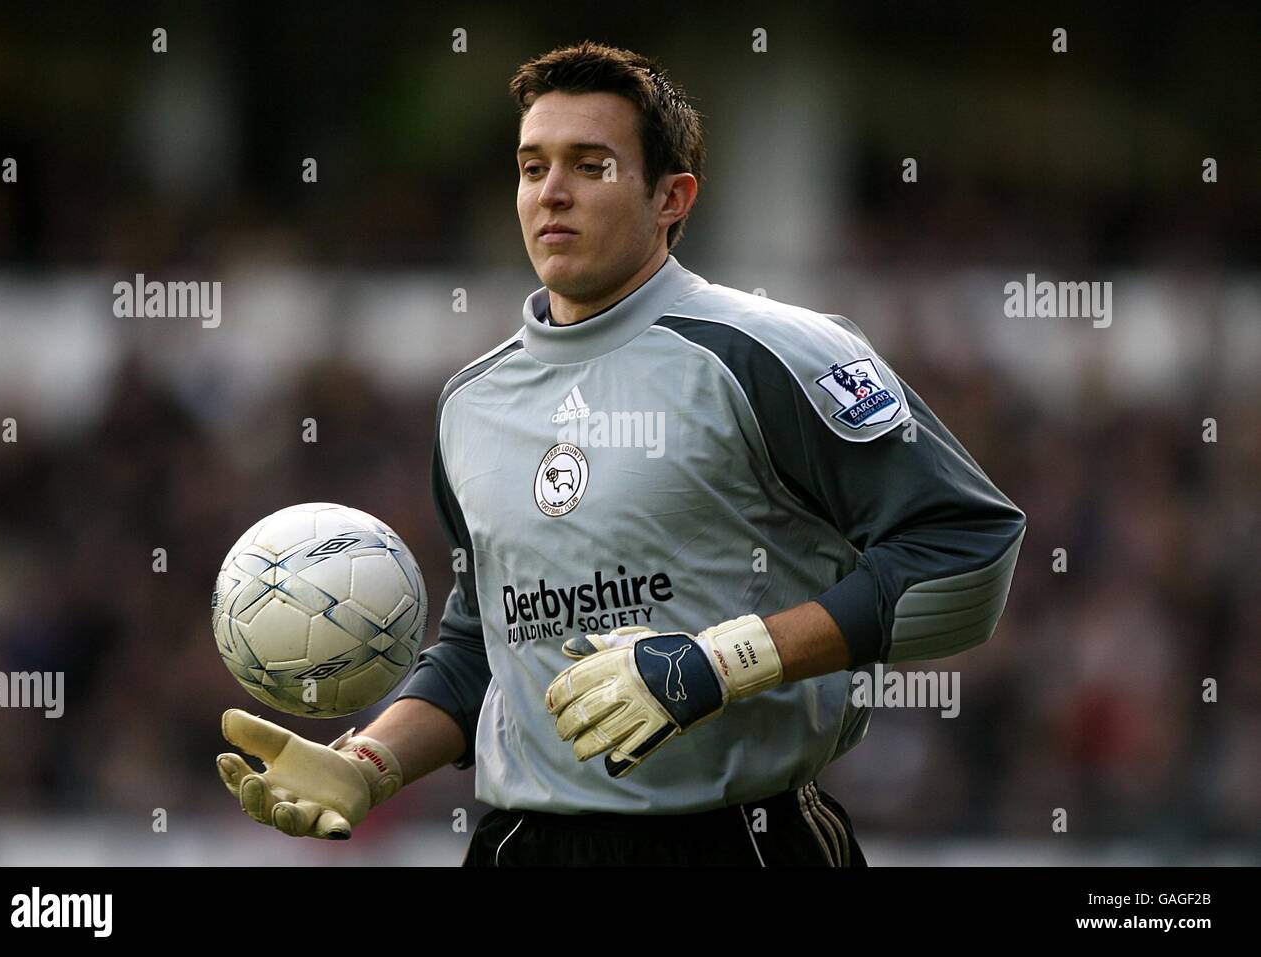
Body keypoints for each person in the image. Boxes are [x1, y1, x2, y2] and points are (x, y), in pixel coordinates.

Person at [216, 41, 1026, 867]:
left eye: (590, 165)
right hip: (520, 847)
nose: (551, 192)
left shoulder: (771, 353)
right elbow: (480, 646)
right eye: (532, 167)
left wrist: (724, 662)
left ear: (672, 197)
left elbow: (963, 554)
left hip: (738, 842)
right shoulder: (471, 401)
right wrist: (370, 763)